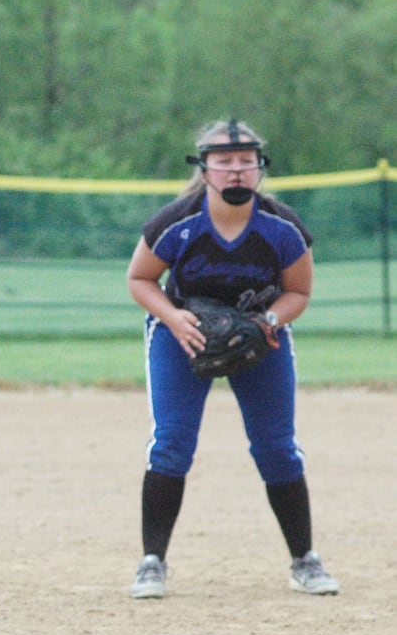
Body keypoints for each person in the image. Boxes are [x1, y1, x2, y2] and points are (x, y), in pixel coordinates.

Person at [125, 119, 338, 600]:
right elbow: (139, 280)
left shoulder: (281, 227)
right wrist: (175, 319)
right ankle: (152, 562)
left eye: (246, 162)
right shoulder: (176, 224)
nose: (236, 172)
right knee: (171, 444)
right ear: (205, 169)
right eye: (224, 162)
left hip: (259, 341)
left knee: (277, 447)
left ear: (260, 168)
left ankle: (304, 560)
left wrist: (268, 321)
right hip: (183, 338)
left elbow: (299, 292)